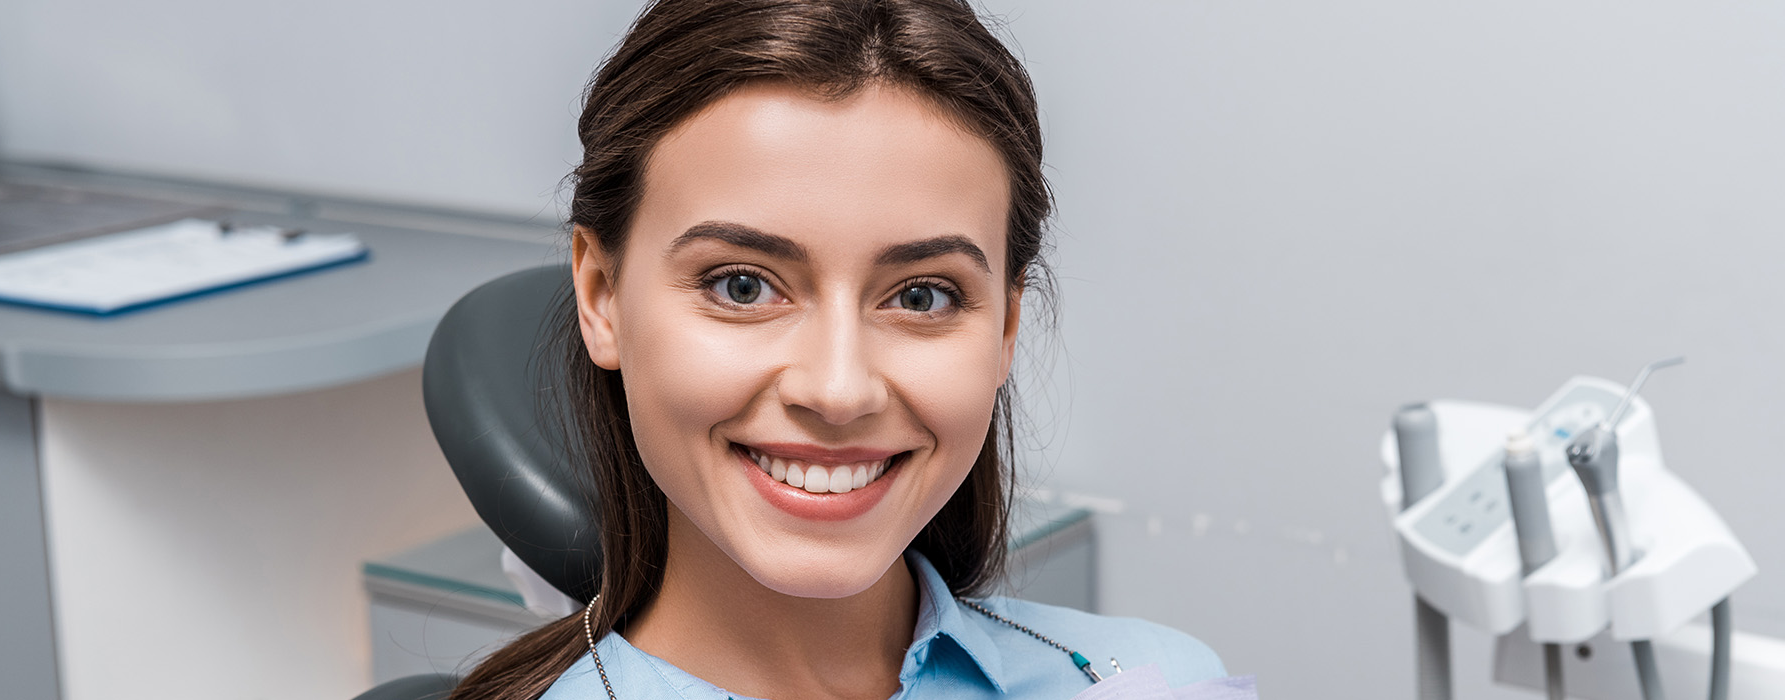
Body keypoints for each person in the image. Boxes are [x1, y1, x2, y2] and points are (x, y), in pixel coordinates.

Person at [451, 1, 1226, 698]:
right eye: (743, 287)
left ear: (1005, 330)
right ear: (601, 294)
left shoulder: (1158, 681)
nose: (838, 388)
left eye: (922, 295)